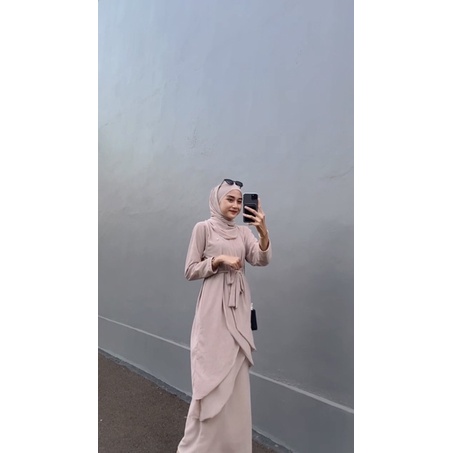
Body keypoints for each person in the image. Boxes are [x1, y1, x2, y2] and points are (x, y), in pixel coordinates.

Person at [177, 179, 272, 453]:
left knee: (236, 373)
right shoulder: (203, 228)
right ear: (216, 200)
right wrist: (218, 261)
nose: (236, 205)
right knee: (210, 369)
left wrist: (263, 232)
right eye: (230, 199)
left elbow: (261, 259)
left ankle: (233, 446)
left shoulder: (243, 232)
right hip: (213, 308)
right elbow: (190, 270)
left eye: (240, 201)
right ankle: (200, 446)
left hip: (238, 306)